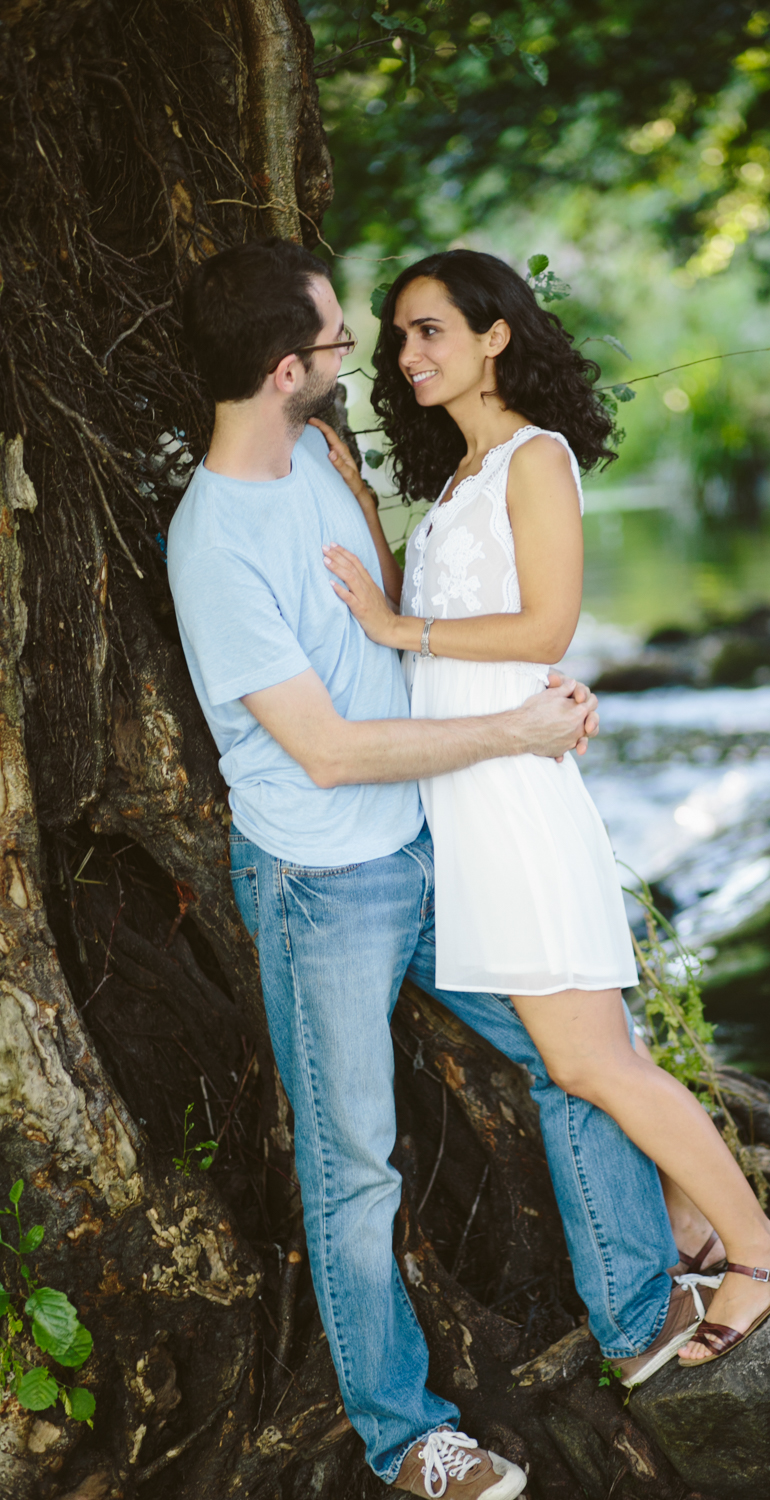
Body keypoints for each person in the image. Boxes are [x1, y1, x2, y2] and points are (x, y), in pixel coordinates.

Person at [167, 237, 697, 1500]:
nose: (368, 360)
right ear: (288, 367)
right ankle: (408, 1439)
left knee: (574, 1054)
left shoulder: (325, 454)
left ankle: (634, 1312)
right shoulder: (210, 547)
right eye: (343, 342)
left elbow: (402, 626)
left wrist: (532, 690)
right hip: (322, 883)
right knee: (355, 1164)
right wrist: (515, 731)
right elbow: (330, 750)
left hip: (434, 839)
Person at [317, 248, 770, 1376]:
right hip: (467, 798)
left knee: (592, 1066)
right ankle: (694, 1220)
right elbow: (464, 632)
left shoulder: (534, 460)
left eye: (431, 331)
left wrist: (402, 634)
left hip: (514, 806)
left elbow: (545, 630)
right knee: (594, 1054)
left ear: (496, 335)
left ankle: (757, 1251)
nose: (408, 358)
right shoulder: (458, 478)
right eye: (398, 338)